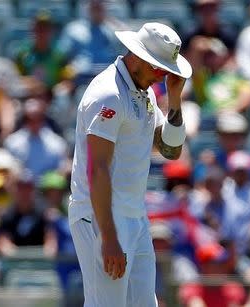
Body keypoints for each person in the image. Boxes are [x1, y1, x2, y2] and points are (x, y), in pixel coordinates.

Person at [69, 22, 192, 306]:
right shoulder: (109, 93)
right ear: (136, 56)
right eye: (157, 68)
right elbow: (96, 168)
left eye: (165, 70)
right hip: (100, 217)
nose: (160, 75)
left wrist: (174, 98)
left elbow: (171, 150)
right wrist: (109, 237)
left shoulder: (145, 92)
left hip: (134, 215)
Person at [3, 98, 68, 180]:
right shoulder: (11, 142)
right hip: (21, 190)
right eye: (29, 119)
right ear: (24, 119)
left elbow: (62, 170)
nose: (34, 122)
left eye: (38, 118)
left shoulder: (57, 143)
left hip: (46, 190)